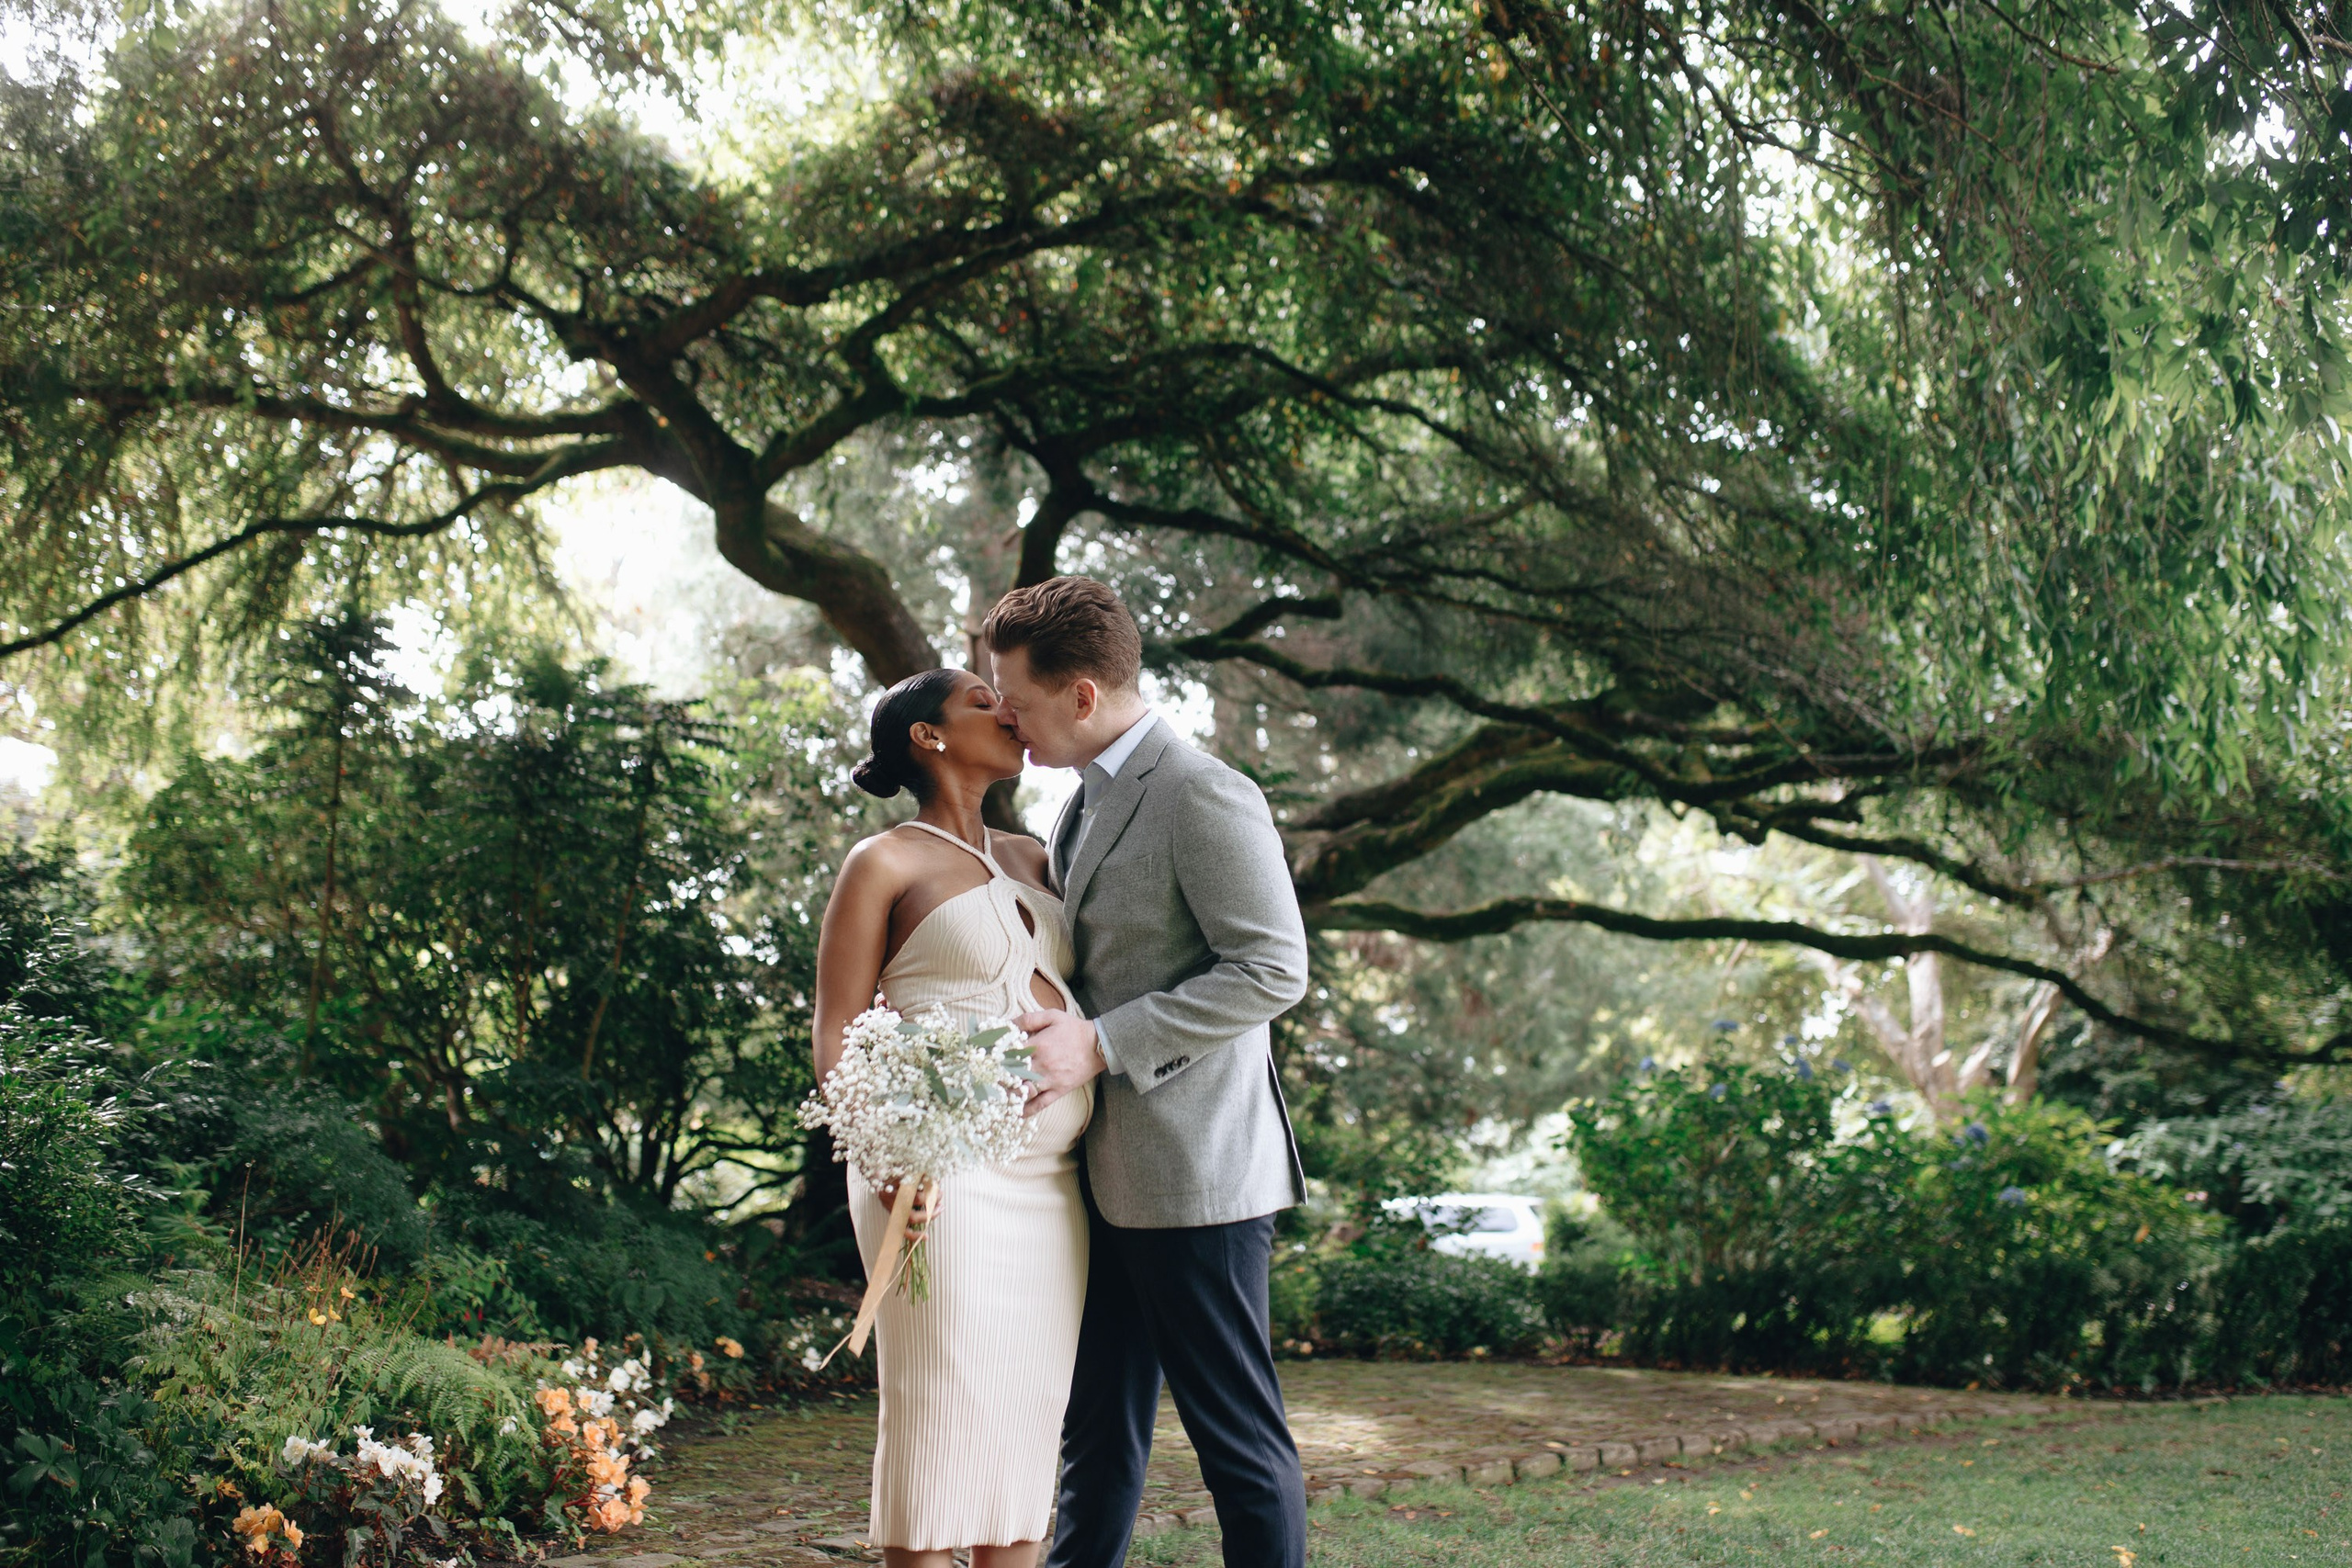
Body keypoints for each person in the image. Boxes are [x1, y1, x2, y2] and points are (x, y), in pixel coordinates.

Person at [985, 576, 1314, 1568]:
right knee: (1097, 1435)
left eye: (1017, 698)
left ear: (1082, 695)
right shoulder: (1082, 804)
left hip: (1199, 1178)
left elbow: (1273, 968)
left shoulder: (1202, 792)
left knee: (1237, 1448)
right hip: (1108, 1178)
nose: (1005, 716)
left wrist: (1100, 1043)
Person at [811, 666, 1093, 1568]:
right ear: (927, 737)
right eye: (981, 702)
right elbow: (837, 1033)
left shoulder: (1038, 855)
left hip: (1053, 1193)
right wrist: (890, 1165)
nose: (1005, 711)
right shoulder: (883, 862)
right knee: (941, 1422)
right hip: (939, 1183)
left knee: (1022, 1422)